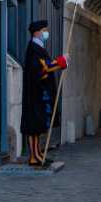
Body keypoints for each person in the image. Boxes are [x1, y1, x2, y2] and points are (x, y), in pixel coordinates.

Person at [20, 20, 69, 166]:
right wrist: (61, 61)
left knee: (38, 126)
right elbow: (43, 68)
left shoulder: (38, 48)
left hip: (39, 94)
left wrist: (61, 62)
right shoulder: (34, 49)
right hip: (35, 94)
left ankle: (38, 153)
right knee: (33, 126)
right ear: (37, 32)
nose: (45, 33)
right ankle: (34, 156)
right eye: (44, 30)